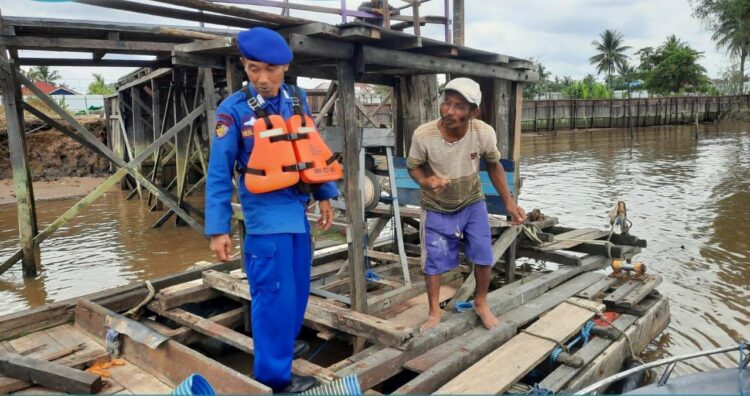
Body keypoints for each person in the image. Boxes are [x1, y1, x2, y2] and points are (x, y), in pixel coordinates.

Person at [204, 27, 339, 393]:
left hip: (298, 212)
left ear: (285, 67)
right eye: (252, 69)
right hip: (266, 221)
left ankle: (282, 346)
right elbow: (218, 173)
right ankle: (274, 377)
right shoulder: (232, 111)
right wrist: (219, 229)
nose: (262, 79)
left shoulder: (296, 100)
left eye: (270, 69)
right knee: (274, 296)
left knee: (297, 292)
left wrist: (325, 193)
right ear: (244, 67)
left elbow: (310, 149)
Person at [406, 77, 526, 332]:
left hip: (472, 201)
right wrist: (427, 181)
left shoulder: (483, 132)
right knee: (434, 260)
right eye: (446, 103)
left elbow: (494, 165)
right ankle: (434, 312)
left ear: (474, 112)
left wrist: (509, 202)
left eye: (459, 106)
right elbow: (413, 166)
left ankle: (481, 302)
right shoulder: (423, 135)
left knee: (483, 253)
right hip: (436, 204)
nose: (449, 111)